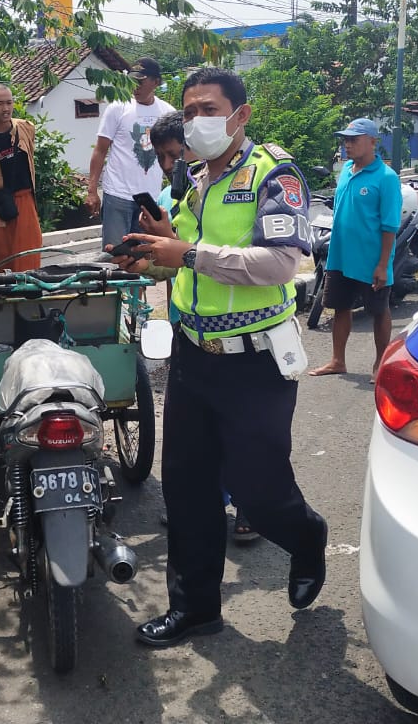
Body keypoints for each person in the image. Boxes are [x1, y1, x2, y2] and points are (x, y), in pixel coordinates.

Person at [113, 67, 327, 648]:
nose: (196, 120)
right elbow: (185, 262)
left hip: (255, 361)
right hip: (193, 356)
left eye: (208, 107)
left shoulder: (275, 175)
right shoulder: (192, 182)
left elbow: (284, 263)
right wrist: (152, 252)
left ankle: (307, 538)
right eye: (189, 110)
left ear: (240, 114)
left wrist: (188, 252)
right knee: (187, 487)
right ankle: (196, 606)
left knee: (257, 490)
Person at [143, 109, 259, 545]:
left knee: (239, 430)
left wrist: (182, 251)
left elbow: (260, 261)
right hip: (187, 325)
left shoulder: (246, 181)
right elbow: (166, 261)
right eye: (162, 158)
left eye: (176, 154)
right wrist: (145, 255)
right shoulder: (172, 192)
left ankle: (251, 504)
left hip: (240, 332)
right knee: (198, 437)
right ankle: (205, 503)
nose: (170, 165)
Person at [308, 118, 402, 381]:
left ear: (373, 141)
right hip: (340, 256)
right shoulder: (346, 170)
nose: (347, 145)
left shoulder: (386, 177)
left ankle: (379, 364)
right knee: (340, 307)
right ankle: (338, 360)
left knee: (379, 310)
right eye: (346, 140)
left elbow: (389, 225)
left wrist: (383, 265)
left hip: (371, 259)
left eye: (354, 139)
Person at [86, 57, 175, 249]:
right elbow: (100, 150)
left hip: (151, 198)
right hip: (118, 194)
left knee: (147, 257)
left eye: (141, 81)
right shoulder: (118, 107)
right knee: (116, 254)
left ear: (156, 82)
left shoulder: (167, 112)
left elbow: (176, 155)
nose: (135, 87)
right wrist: (92, 190)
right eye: (133, 81)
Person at [0, 83, 42, 271]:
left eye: (9, 103)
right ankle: (5, 299)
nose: (6, 108)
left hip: (25, 199)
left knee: (28, 259)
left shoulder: (25, 128)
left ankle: (28, 298)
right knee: (2, 260)